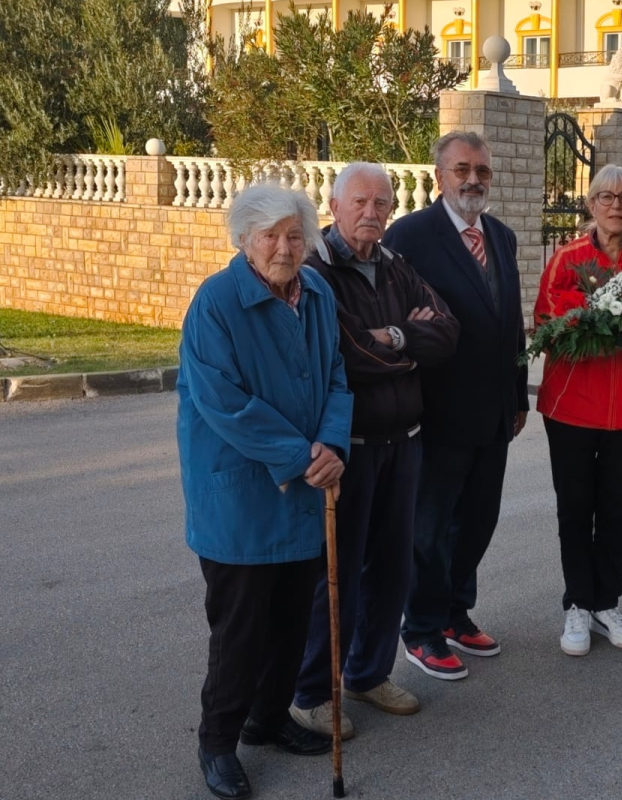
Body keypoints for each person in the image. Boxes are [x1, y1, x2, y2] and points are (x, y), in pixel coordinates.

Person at [178, 185, 352, 800]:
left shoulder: (319, 292)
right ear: (244, 241)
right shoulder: (217, 302)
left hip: (306, 487)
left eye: (295, 234)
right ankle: (218, 741)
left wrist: (333, 443)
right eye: (270, 235)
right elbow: (223, 402)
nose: (284, 246)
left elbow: (335, 374)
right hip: (241, 500)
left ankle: (268, 717)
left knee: (289, 624)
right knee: (241, 630)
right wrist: (305, 455)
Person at [290, 163, 459, 738]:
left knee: (392, 570)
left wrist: (398, 338)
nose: (372, 212)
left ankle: (368, 673)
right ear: (334, 207)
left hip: (403, 442)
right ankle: (313, 690)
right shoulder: (317, 271)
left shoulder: (396, 266)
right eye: (360, 201)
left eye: (382, 203)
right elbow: (348, 356)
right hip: (350, 448)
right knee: (336, 574)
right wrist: (407, 345)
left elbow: (448, 331)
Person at [382, 132, 529, 681]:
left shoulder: (503, 236)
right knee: (430, 526)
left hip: (494, 412)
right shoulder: (411, 236)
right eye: (462, 169)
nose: (474, 180)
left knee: (478, 521)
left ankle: (455, 613)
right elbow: (394, 314)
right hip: (436, 411)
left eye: (483, 171)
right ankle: (420, 629)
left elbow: (509, 321)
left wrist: (518, 395)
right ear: (439, 175)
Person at [533, 164, 622, 656]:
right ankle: (577, 604)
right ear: (590, 205)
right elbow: (545, 324)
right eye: (606, 196)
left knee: (616, 512)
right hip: (571, 407)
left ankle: (606, 602)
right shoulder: (566, 259)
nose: (616, 204)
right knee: (574, 510)